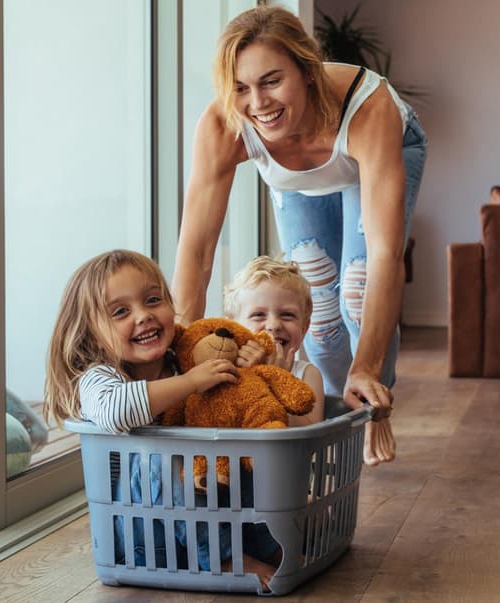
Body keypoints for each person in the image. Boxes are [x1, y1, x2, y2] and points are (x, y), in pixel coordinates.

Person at [171, 5, 428, 466]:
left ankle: (372, 401)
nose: (259, 103)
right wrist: (179, 354)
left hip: (378, 151)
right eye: (241, 88)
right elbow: (197, 249)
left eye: (272, 81)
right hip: (301, 181)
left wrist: (367, 365)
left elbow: (387, 253)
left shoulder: (369, 108)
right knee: (320, 312)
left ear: (307, 71)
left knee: (356, 286)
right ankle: (333, 416)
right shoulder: (224, 124)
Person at [43, 249, 280, 589]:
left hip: (206, 524)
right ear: (91, 333)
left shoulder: (183, 360)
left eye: (153, 300)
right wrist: (193, 382)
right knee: (161, 454)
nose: (143, 316)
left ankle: (268, 546)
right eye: (121, 311)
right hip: (144, 538)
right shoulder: (99, 378)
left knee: (236, 455)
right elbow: (117, 411)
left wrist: (246, 366)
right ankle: (225, 558)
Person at [223, 255, 325, 426]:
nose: (273, 325)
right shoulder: (225, 368)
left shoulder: (307, 374)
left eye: (287, 315)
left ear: (304, 328)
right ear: (234, 327)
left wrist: (276, 380)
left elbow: (310, 432)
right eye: (258, 315)